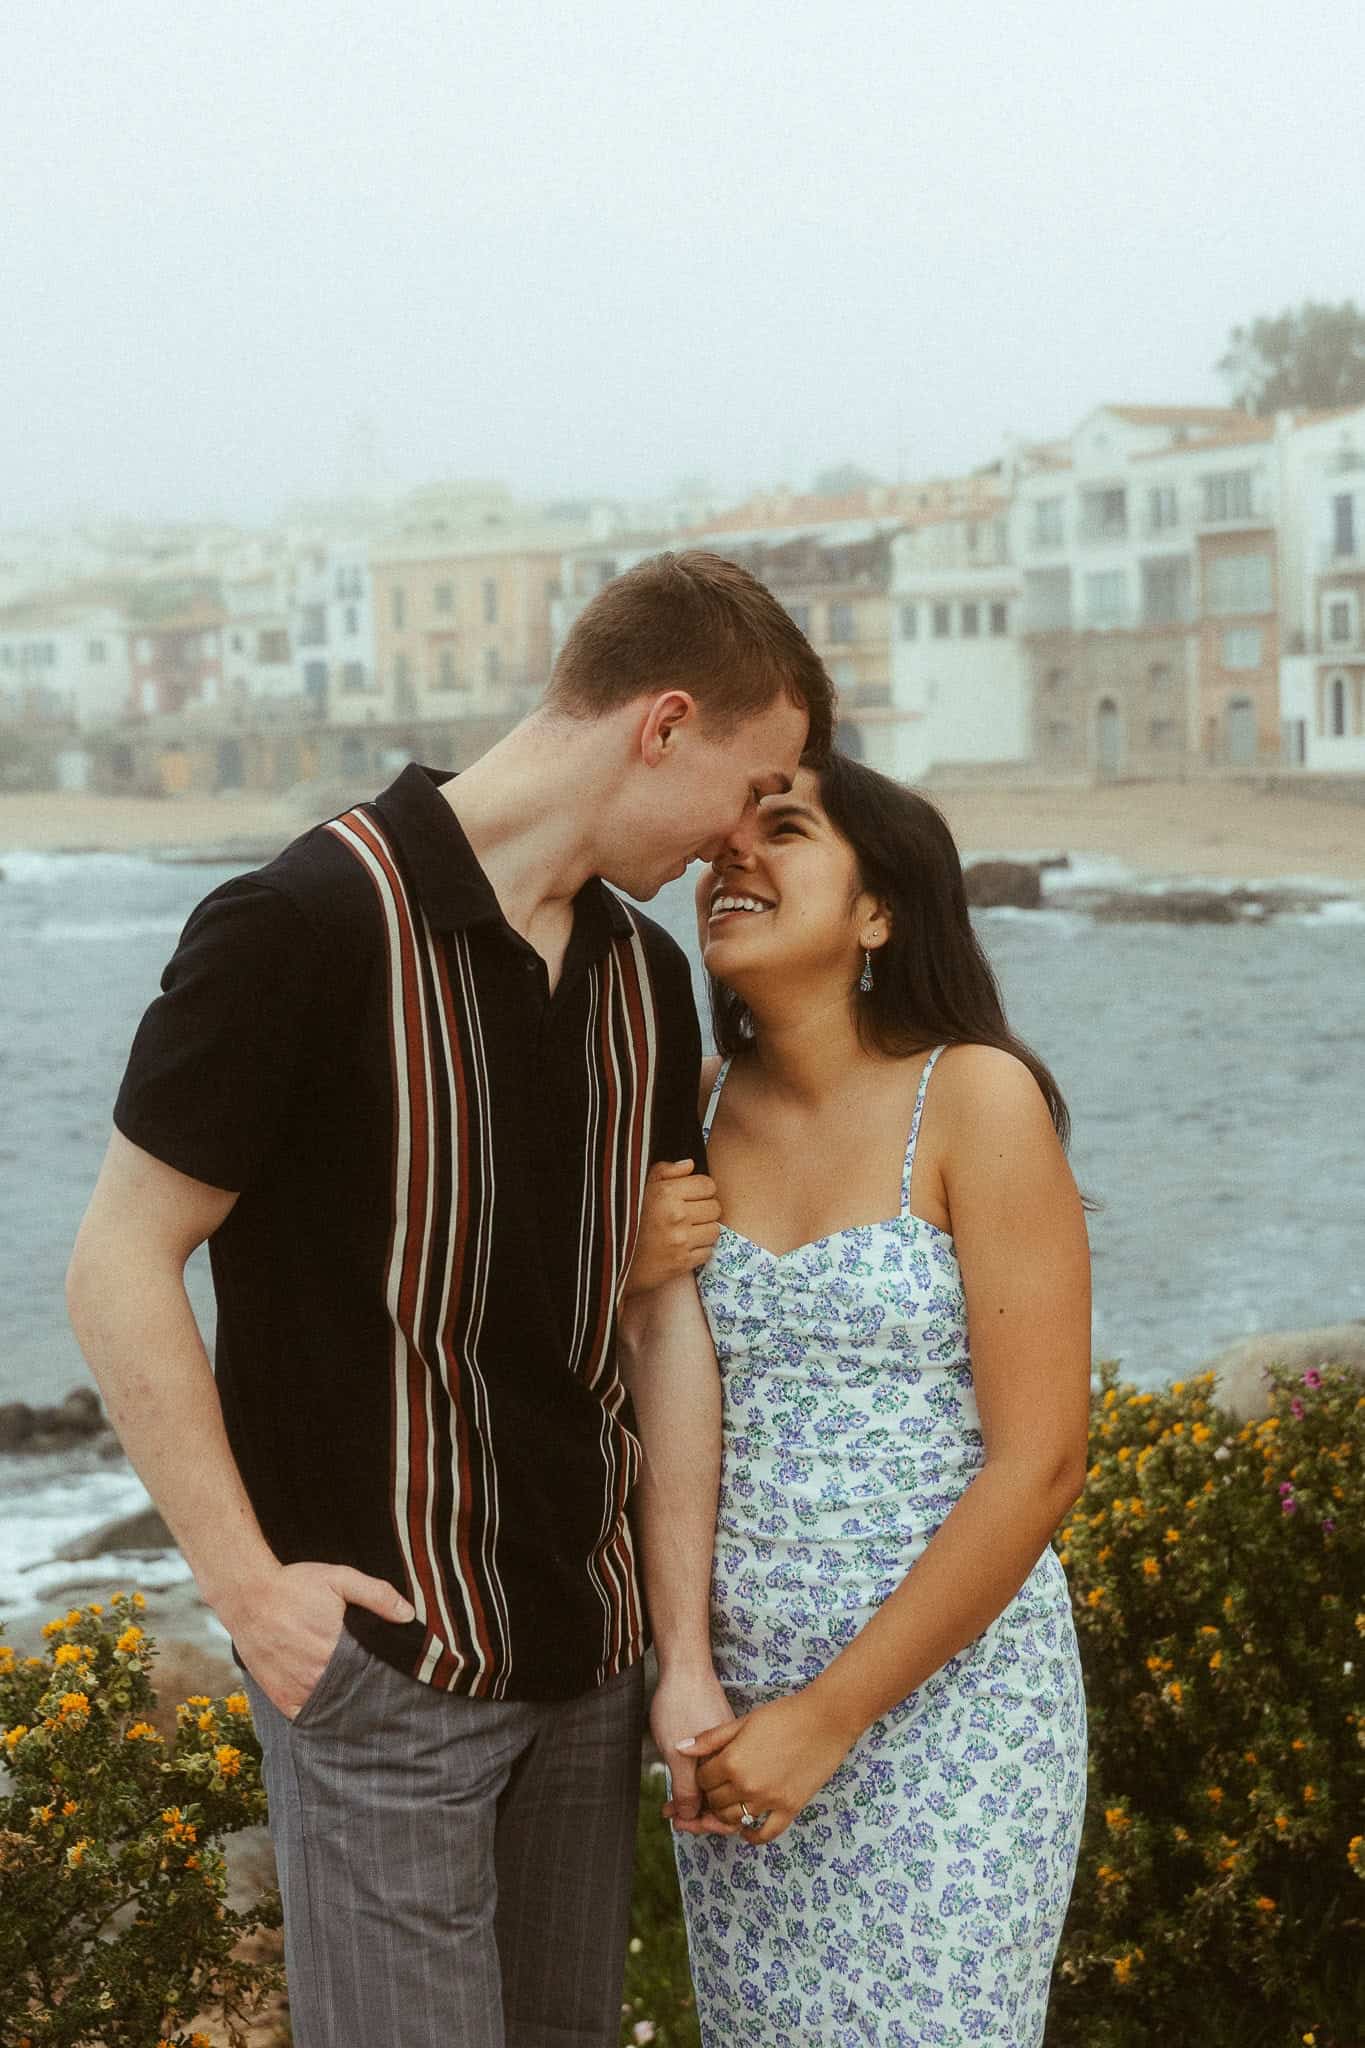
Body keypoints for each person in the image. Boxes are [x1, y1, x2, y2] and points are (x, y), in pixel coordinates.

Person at [65, 549, 835, 2048]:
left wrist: (675, 1652)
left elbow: (658, 1316)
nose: (745, 840)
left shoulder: (640, 981)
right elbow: (115, 1262)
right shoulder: (301, 924)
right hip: (385, 1669)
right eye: (758, 782)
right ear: (661, 724)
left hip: (593, 1665)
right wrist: (249, 1589)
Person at [632, 750, 1091, 2045]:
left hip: (948, 1719)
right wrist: (684, 1675)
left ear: (879, 910)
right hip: (729, 1710)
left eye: (784, 832)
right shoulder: (686, 1113)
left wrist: (828, 1718)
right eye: (727, 839)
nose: (735, 858)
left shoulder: (973, 1100)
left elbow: (1039, 1464)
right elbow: (658, 1408)